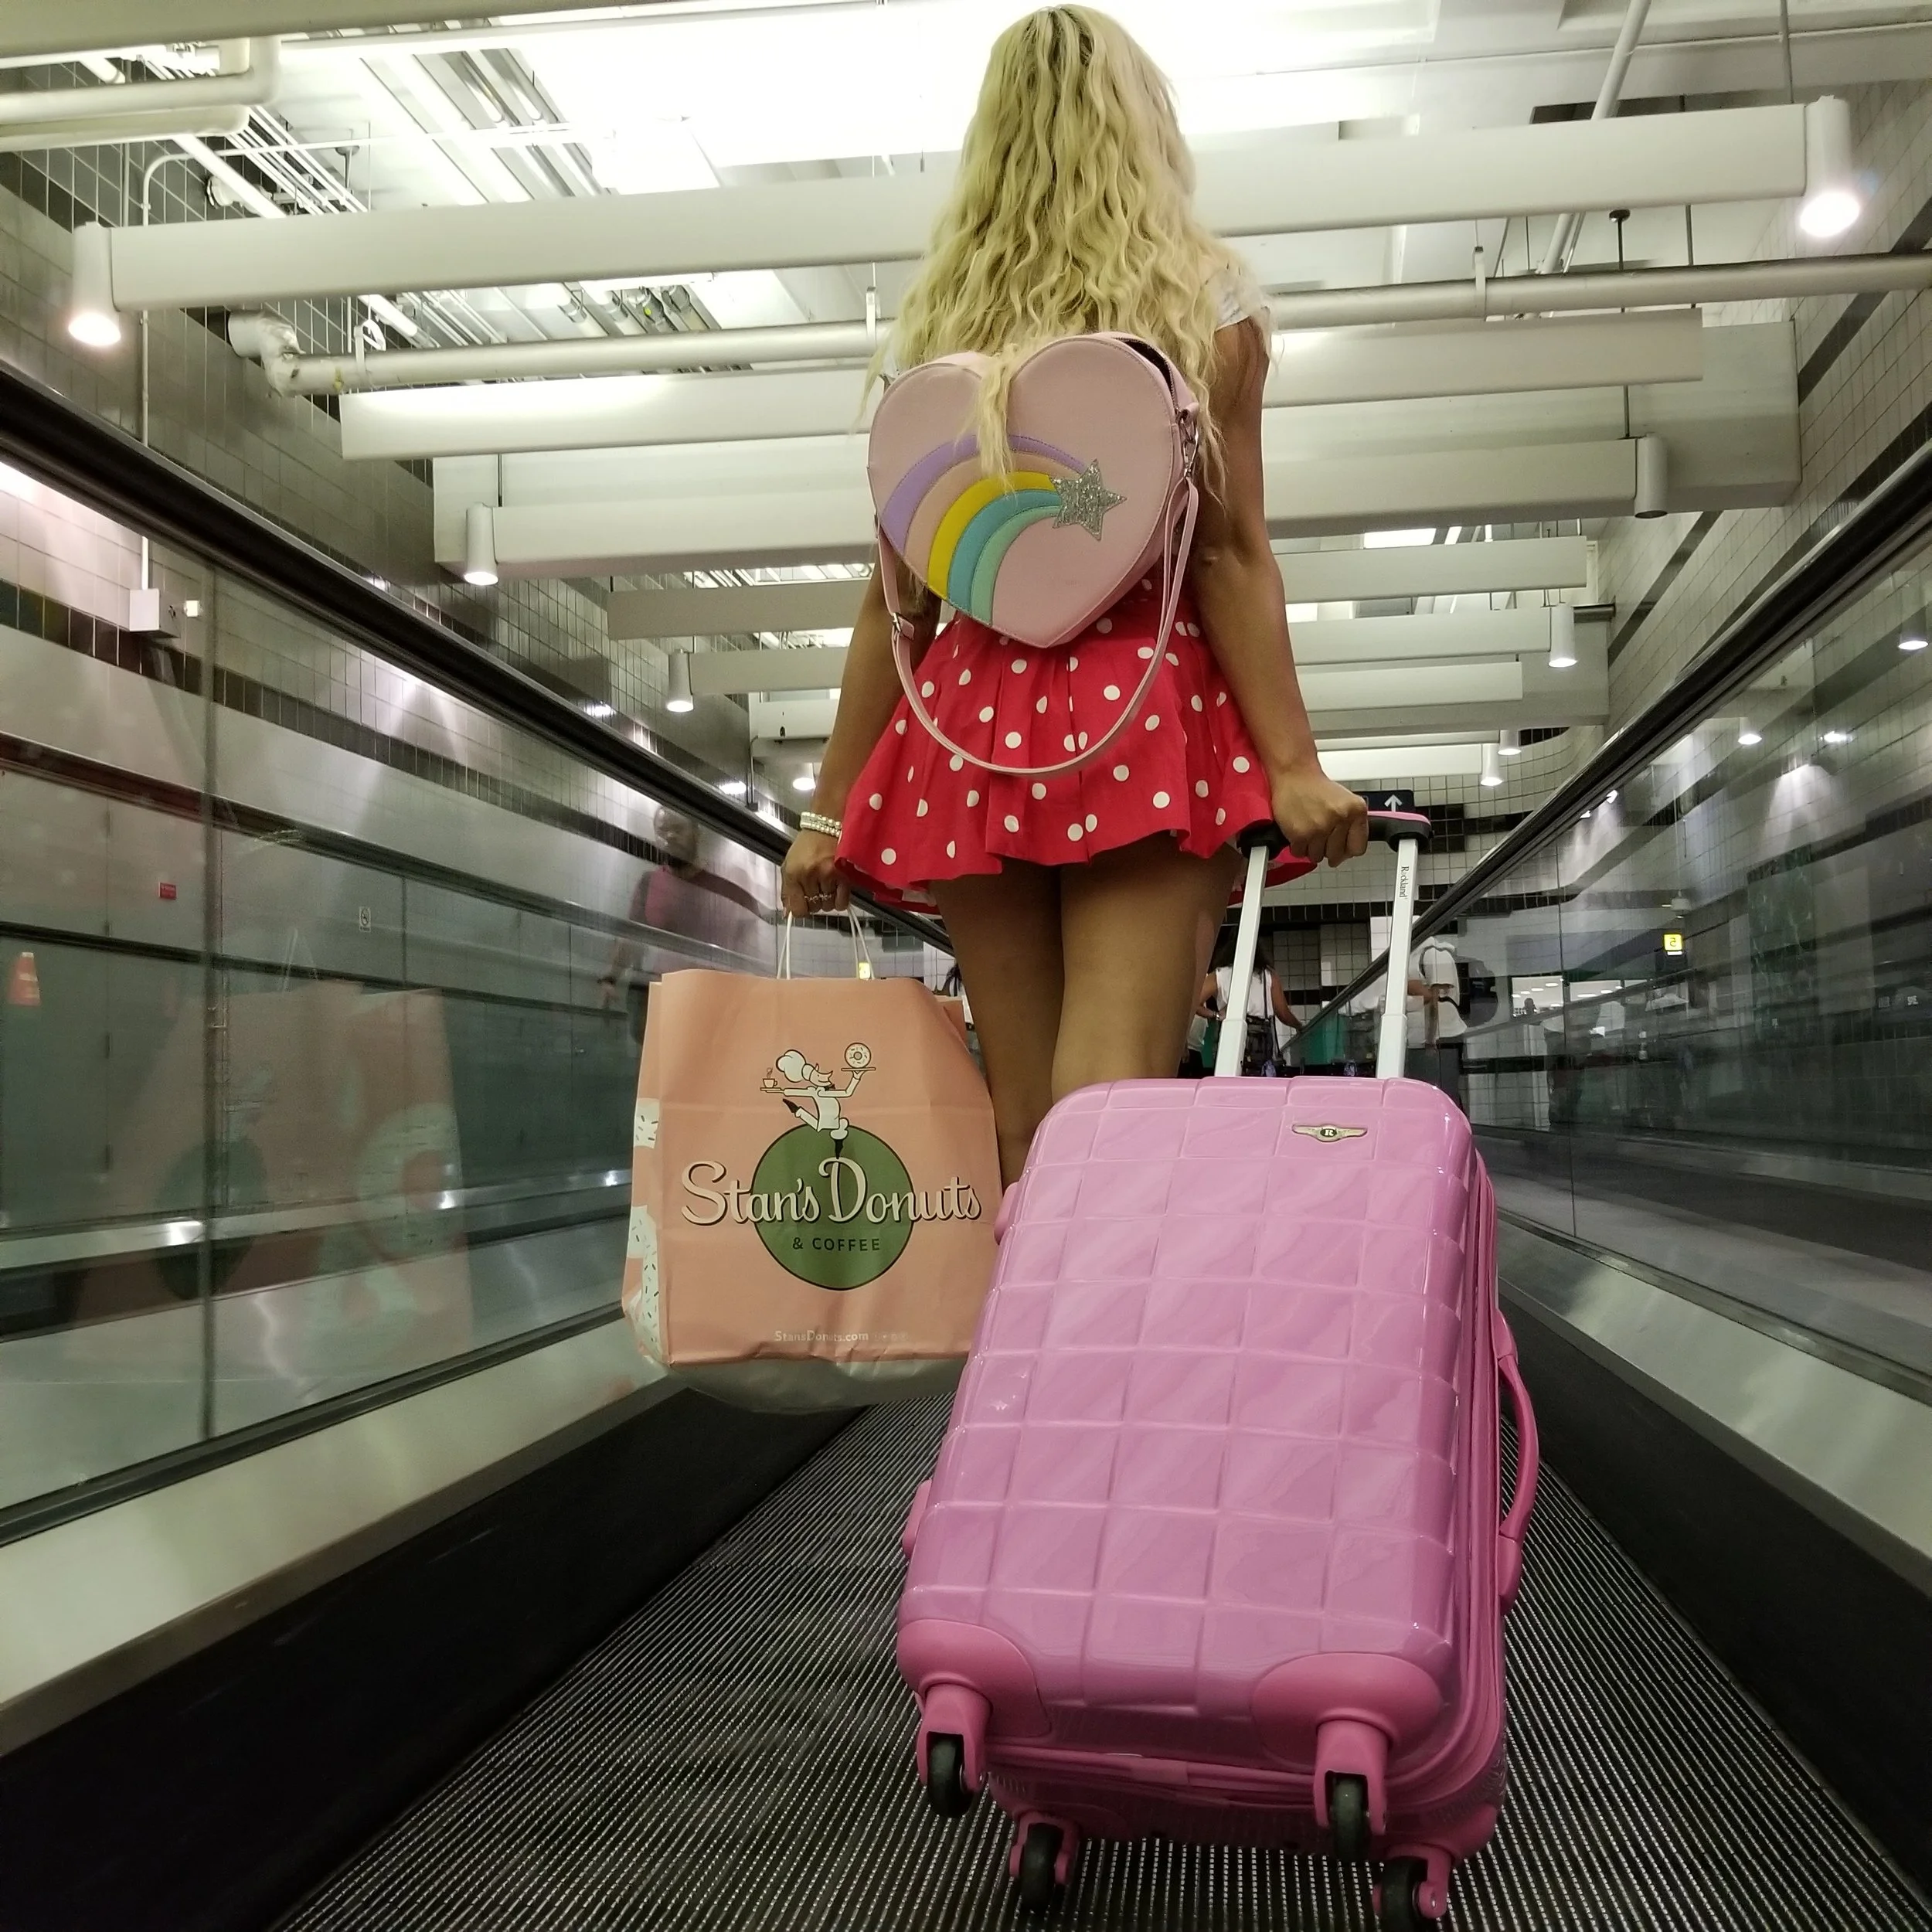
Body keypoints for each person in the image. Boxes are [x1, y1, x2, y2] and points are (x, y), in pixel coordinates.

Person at [779, 7, 1366, 1185]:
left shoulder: (944, 330)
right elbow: (1229, 554)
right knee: (1112, 1104)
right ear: (1146, 130)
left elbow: (897, 600)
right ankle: (1107, 1313)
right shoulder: (1204, 307)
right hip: (1142, 707)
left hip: (970, 727)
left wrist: (829, 814)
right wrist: (1294, 764)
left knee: (1021, 1123)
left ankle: (1027, 1311)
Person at [604, 806, 764, 1040]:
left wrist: (756, 994)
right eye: (663, 831)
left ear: (696, 832)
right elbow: (632, 938)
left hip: (719, 1003)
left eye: (678, 829)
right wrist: (610, 978)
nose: (670, 836)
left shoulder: (729, 882)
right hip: (665, 1001)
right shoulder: (649, 883)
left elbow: (750, 944)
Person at [1196, 932, 1301, 1077]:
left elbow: (1195, 1004)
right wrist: (1299, 1026)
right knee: (1259, 1080)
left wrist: (1217, 1016)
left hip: (1230, 1034)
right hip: (1261, 1037)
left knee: (1228, 1078)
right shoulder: (1268, 975)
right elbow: (1282, 1013)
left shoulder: (1220, 975)